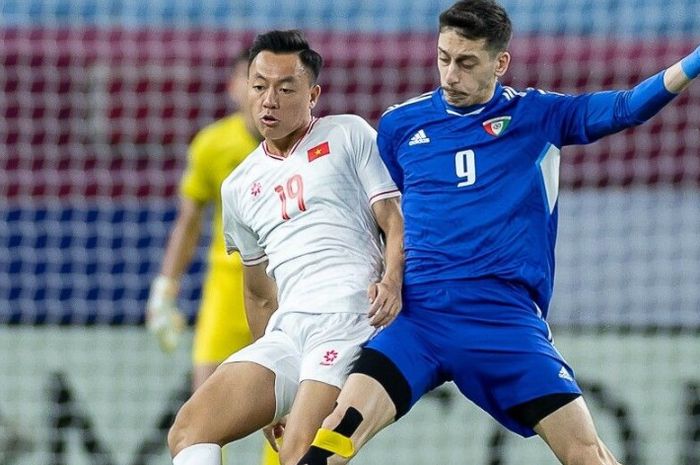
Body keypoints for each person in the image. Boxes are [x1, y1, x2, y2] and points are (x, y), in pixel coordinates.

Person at [296, 1, 700, 465]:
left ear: (499, 62)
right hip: (418, 318)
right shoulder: (399, 125)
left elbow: (628, 108)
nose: (450, 74)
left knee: (586, 454)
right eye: (444, 57)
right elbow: (385, 221)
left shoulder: (540, 116)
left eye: (466, 62)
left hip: (502, 321)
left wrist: (694, 61)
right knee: (334, 437)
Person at [166, 29, 404, 465]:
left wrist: (392, 280)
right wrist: (269, 381)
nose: (268, 100)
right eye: (259, 86)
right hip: (287, 331)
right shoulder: (238, 186)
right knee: (189, 429)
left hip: (347, 318)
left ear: (312, 94)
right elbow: (258, 294)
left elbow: (393, 217)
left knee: (298, 455)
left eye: (284, 88)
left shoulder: (348, 134)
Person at [145, 49, 280, 465]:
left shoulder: (308, 148)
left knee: (288, 420)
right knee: (202, 416)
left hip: (285, 291)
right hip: (226, 291)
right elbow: (188, 220)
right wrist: (164, 291)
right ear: (234, 87)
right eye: (253, 82)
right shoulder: (213, 144)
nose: (262, 94)